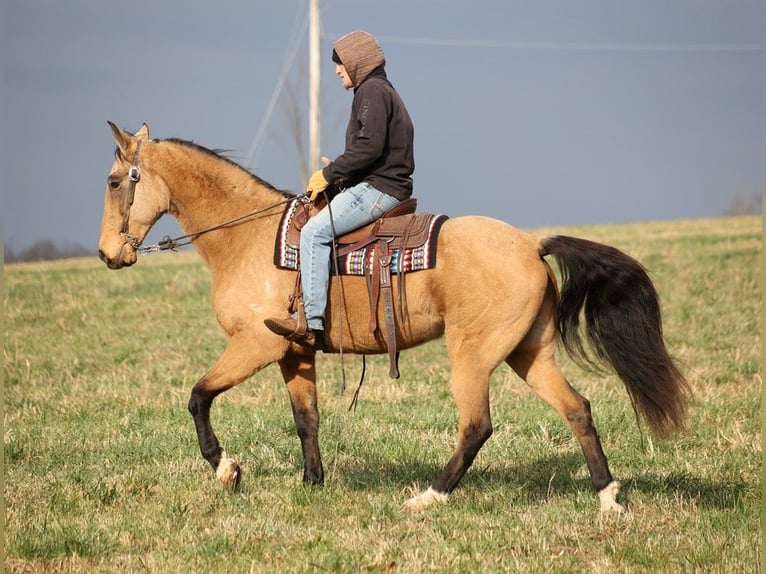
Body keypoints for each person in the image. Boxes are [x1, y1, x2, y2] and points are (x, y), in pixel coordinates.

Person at [265, 30, 415, 350]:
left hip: (380, 189)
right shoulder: (379, 91)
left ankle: (311, 323)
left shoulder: (371, 91)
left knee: (314, 232)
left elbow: (370, 147)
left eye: (341, 64)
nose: (337, 71)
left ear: (358, 62)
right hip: (379, 182)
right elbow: (372, 150)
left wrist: (328, 174)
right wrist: (340, 174)